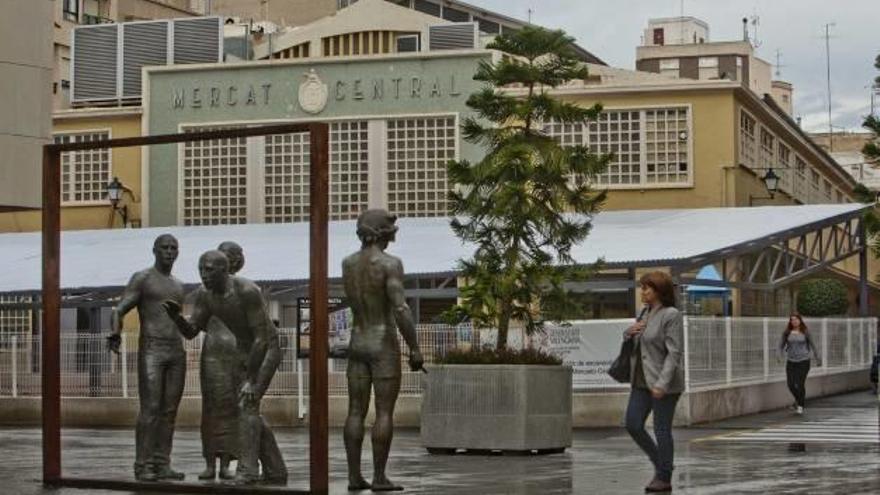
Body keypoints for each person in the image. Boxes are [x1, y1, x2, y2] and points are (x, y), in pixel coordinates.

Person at [165, 250, 287, 485]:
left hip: (266, 348)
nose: (204, 275)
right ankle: (275, 469)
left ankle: (248, 471)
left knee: (247, 405)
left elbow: (261, 338)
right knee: (246, 409)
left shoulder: (246, 290)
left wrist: (252, 380)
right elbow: (191, 332)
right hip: (244, 350)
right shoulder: (206, 295)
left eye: (209, 270)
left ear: (224, 269)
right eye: (201, 270)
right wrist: (177, 318)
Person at [342, 209, 424, 492]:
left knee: (355, 411)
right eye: (390, 230)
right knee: (384, 412)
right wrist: (414, 347)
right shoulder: (390, 264)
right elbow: (400, 308)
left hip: (357, 341)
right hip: (382, 343)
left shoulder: (348, 263)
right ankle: (378, 477)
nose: (393, 236)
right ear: (381, 232)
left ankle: (354, 477)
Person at [106, 234, 187, 482]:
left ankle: (162, 463)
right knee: (151, 409)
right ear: (154, 250)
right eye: (165, 247)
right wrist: (114, 332)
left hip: (176, 349)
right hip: (152, 348)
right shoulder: (143, 278)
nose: (170, 252)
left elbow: (180, 321)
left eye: (174, 248)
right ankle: (143, 465)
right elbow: (119, 309)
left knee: (170, 411)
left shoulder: (178, 285)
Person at [623, 271, 684, 493]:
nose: (643, 291)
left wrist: (662, 383)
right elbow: (640, 344)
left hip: (663, 382)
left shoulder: (671, 314)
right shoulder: (645, 312)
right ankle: (663, 463)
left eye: (647, 288)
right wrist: (628, 333)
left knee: (661, 429)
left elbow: (674, 353)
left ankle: (663, 477)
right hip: (641, 380)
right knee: (633, 424)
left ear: (659, 291)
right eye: (642, 287)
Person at [197, 241, 246, 481]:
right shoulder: (205, 292)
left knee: (232, 409)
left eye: (231, 257)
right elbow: (196, 324)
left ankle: (227, 462)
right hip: (213, 353)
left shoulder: (245, 290)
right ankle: (209, 462)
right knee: (210, 408)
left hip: (237, 353)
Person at [779, 313, 820, 414]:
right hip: (791, 361)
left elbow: (813, 345)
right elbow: (780, 345)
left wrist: (818, 357)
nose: (794, 321)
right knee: (791, 384)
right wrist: (779, 355)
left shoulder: (805, 331)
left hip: (804, 361)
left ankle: (800, 405)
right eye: (792, 320)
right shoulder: (787, 332)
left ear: (800, 320)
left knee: (800, 384)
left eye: (796, 319)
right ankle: (798, 400)